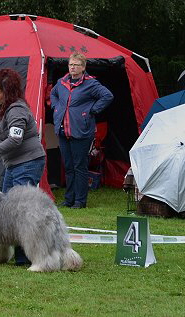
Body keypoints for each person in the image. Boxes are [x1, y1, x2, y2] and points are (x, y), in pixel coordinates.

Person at [0, 68, 46, 266]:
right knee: (7, 211)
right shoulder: (5, 109)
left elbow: (15, 139)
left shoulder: (16, 110)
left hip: (28, 163)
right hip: (14, 164)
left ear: (5, 90)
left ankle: (25, 258)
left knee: (22, 211)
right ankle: (11, 253)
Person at [49, 52, 114, 208]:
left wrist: (91, 110)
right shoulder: (62, 82)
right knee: (68, 166)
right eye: (71, 64)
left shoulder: (91, 84)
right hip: (63, 130)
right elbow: (53, 94)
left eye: (76, 65)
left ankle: (80, 201)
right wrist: (56, 107)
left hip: (81, 131)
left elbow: (107, 96)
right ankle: (69, 199)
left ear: (83, 67)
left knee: (79, 166)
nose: (72, 67)